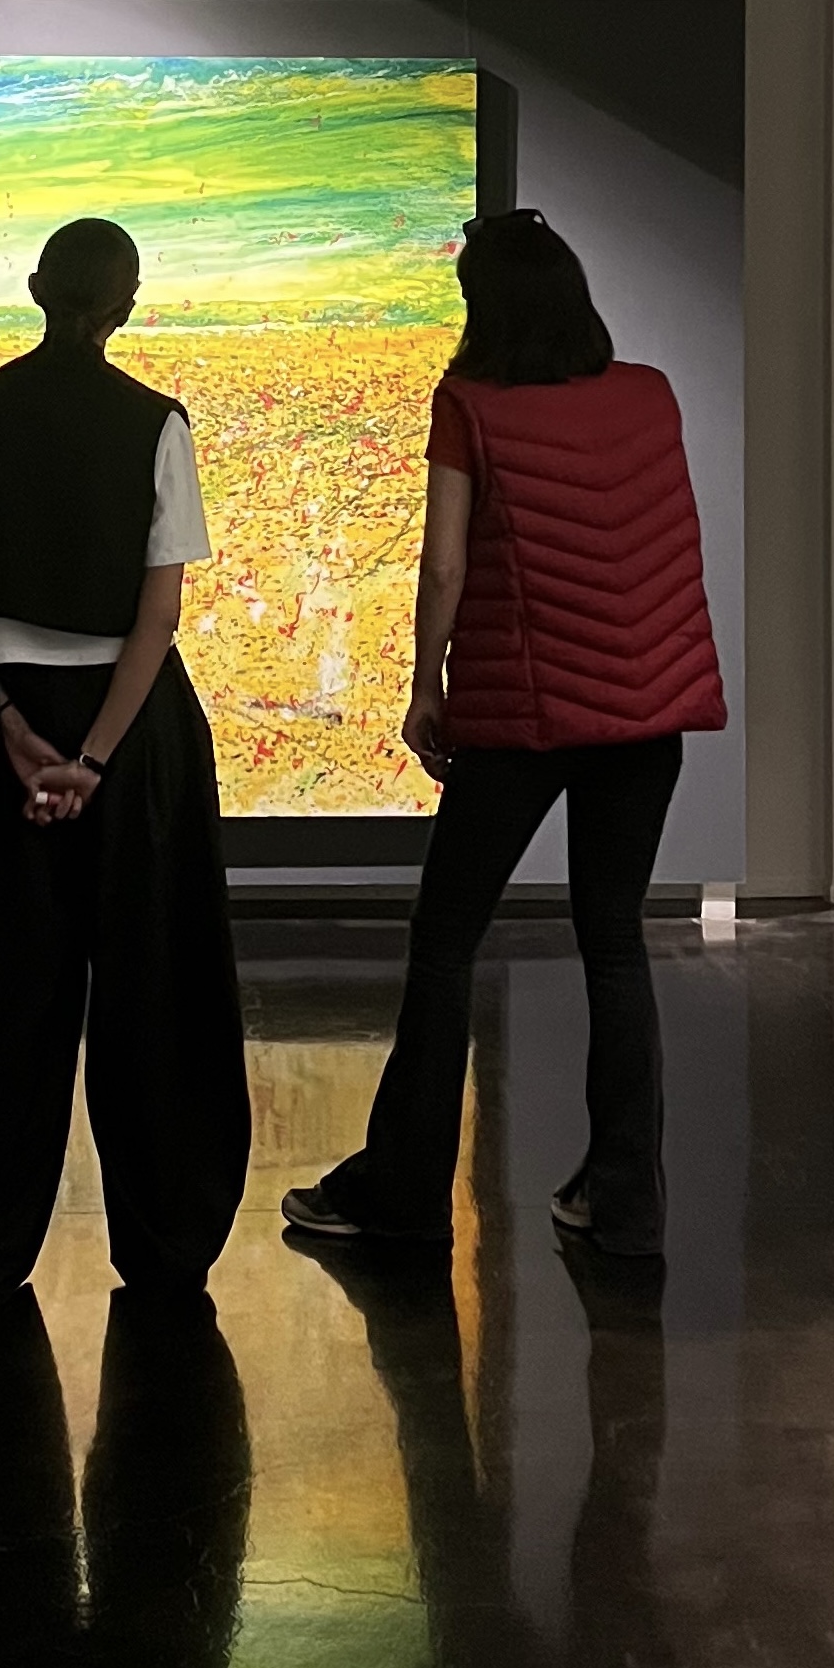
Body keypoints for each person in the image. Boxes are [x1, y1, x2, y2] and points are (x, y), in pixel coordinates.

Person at [283, 208, 725, 1260]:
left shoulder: (470, 403)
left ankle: (401, 1194)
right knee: (613, 940)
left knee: (446, 939)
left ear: (483, 308)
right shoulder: (650, 393)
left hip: (522, 717)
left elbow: (445, 563)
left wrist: (423, 687)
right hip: (643, 717)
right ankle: (624, 1199)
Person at [0, 216, 249, 1334]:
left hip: (2, 729)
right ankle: (167, 1243)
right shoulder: (156, 422)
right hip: (134, 737)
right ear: (128, 305)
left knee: (2, 995)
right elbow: (157, 619)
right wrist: (95, 758)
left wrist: (13, 729)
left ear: (32, 288)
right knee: (155, 993)